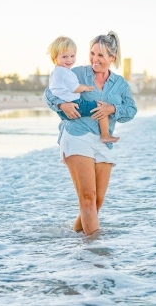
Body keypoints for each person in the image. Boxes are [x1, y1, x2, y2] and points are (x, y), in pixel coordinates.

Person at [44, 31, 137, 235]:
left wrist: (112, 109)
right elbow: (49, 92)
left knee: (96, 202)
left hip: (103, 141)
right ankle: (95, 253)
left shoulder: (120, 84)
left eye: (101, 55)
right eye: (92, 53)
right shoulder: (75, 73)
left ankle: (74, 240)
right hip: (76, 135)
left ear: (112, 58)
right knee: (87, 198)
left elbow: (131, 110)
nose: (95, 59)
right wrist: (62, 104)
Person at [48, 36, 119, 143]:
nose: (69, 60)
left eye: (72, 56)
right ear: (55, 58)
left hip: (65, 110)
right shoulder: (65, 73)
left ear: (112, 58)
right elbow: (74, 88)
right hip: (75, 105)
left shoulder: (56, 72)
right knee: (102, 108)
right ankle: (105, 136)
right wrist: (85, 88)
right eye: (65, 57)